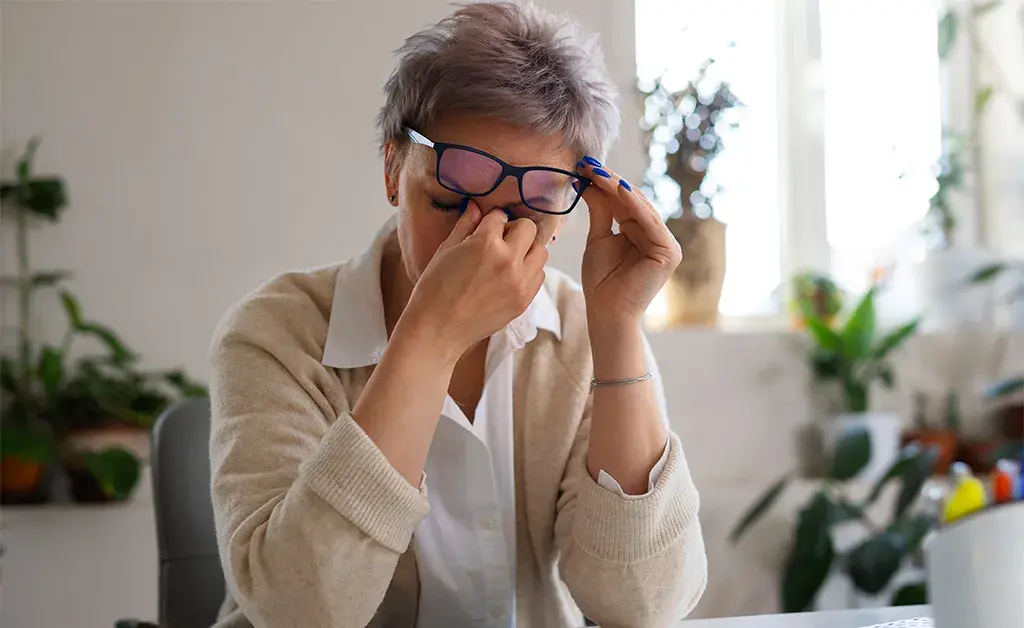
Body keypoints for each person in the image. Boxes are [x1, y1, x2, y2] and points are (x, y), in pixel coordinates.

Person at [208, 3, 707, 627]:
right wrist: (430, 337)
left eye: (526, 213)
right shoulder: (277, 334)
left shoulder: (584, 328)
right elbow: (300, 610)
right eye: (450, 200)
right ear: (394, 169)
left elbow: (643, 605)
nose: (483, 244)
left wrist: (618, 327)